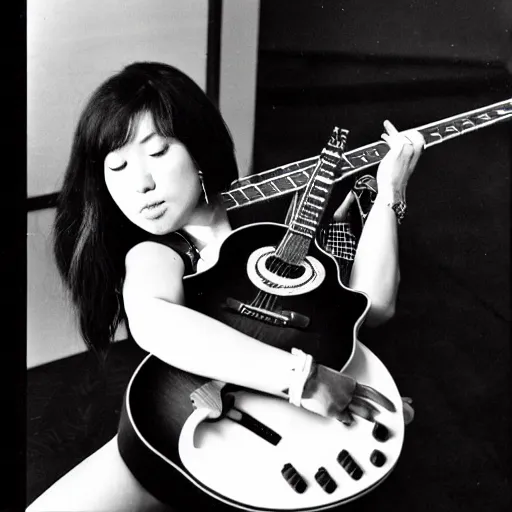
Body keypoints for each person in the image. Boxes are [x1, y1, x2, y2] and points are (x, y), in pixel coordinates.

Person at [27, 61, 424, 512]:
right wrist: (304, 379)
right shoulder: (156, 252)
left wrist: (390, 191)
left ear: (197, 148)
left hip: (298, 441)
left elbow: (371, 306)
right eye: (116, 166)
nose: (141, 184)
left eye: (157, 153)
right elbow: (155, 320)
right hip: (181, 441)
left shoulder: (272, 220)